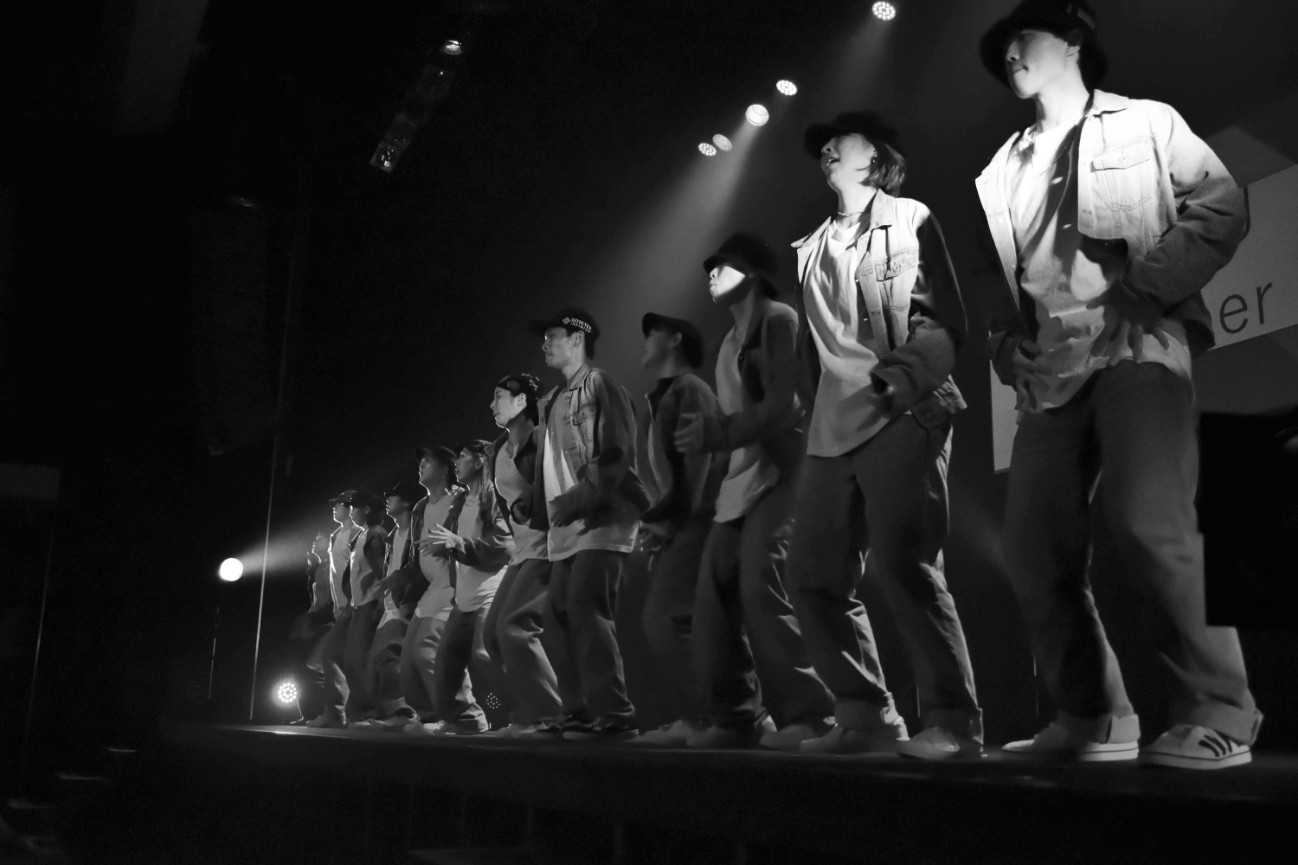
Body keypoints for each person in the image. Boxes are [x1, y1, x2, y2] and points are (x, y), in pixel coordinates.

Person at [975, 0, 1260, 768]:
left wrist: (1144, 286)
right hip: (1051, 375)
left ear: (1072, 41)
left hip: (1138, 347)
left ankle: (1222, 712)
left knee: (1149, 521)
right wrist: (1005, 347)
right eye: (1001, 49)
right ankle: (1094, 716)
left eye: (1022, 38)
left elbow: (1223, 206)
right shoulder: (1001, 169)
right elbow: (1004, 285)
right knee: (1033, 550)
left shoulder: (1146, 122)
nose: (1009, 54)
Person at [780, 110, 983, 759]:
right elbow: (814, 352)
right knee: (811, 575)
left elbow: (943, 322)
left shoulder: (909, 218)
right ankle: (865, 714)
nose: (827, 148)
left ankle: (954, 722)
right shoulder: (809, 247)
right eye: (822, 144)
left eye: (841, 139)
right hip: (831, 431)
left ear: (877, 156)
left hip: (904, 410)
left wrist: (897, 381)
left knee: (904, 564)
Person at [674, 234, 836, 750]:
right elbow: (735, 421)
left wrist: (717, 433)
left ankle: (814, 714)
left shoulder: (778, 320)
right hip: (741, 484)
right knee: (712, 603)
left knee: (761, 586)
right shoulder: (728, 341)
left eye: (722, 266)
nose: (711, 275)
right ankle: (738, 716)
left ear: (752, 272)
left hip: (783, 473)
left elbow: (786, 406)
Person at [527, 307, 648, 740]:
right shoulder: (551, 400)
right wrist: (540, 514)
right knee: (556, 616)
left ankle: (616, 715)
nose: (544, 344)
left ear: (577, 339)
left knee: (585, 609)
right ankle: (576, 712)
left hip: (601, 516)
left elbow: (617, 451)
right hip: (566, 527)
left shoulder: (599, 384)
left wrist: (576, 500)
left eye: (552, 336)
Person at [628, 313, 727, 746]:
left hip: (697, 522)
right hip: (681, 523)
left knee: (665, 618)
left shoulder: (690, 389)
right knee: (678, 620)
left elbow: (698, 470)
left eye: (652, 333)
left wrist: (666, 522)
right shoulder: (662, 396)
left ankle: (715, 716)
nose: (644, 341)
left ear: (675, 340)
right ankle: (705, 715)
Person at [482, 373, 567, 738]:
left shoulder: (542, 438)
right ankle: (527, 714)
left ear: (521, 401)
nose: (492, 405)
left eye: (499, 396)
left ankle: (551, 716)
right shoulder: (499, 449)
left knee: (514, 628)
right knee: (492, 634)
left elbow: (556, 485)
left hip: (548, 545)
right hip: (523, 549)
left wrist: (534, 503)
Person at [422, 441, 513, 735]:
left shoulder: (494, 496)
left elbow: (503, 544)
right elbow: (458, 543)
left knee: (485, 657)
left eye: (462, 456)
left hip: (490, 591)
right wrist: (447, 546)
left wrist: (457, 543)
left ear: (479, 461)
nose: (456, 462)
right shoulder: (461, 501)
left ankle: (517, 718)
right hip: (464, 596)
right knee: (446, 662)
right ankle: (466, 719)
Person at [393, 447, 461, 733]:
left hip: (454, 584)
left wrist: (450, 545)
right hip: (433, 587)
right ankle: (429, 716)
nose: (421, 464)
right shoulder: (420, 507)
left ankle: (455, 716)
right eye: (420, 461)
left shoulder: (460, 498)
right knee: (408, 659)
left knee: (425, 650)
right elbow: (417, 557)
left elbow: (469, 537)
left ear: (445, 468)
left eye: (428, 461)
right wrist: (404, 588)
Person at [349, 480, 427, 731]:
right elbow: (386, 572)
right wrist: (383, 604)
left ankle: (404, 713)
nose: (388, 499)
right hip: (390, 605)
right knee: (374, 666)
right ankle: (389, 714)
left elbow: (419, 569)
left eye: (394, 496)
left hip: (406, 605)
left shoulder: (416, 532)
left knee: (387, 656)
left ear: (407, 502)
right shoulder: (392, 536)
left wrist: (409, 599)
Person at [305, 491, 363, 728]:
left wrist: (353, 601)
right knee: (337, 659)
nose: (334, 507)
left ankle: (344, 713)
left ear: (351, 507)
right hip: (341, 610)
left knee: (338, 658)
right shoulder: (336, 535)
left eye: (339, 504)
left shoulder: (358, 533)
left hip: (354, 607)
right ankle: (340, 713)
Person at [336, 491, 391, 728]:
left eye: (355, 507)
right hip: (359, 606)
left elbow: (383, 571)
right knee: (352, 661)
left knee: (361, 661)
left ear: (367, 509)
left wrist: (381, 602)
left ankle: (375, 712)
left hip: (370, 605)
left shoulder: (376, 535)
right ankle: (363, 711)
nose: (351, 512)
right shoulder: (362, 535)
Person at [287, 530, 336, 725]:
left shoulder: (334, 565)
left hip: (329, 621)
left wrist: (310, 619)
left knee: (317, 665)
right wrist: (305, 620)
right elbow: (315, 601)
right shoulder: (316, 569)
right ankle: (309, 714)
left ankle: (325, 712)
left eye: (320, 538)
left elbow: (335, 600)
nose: (315, 541)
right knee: (300, 668)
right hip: (316, 622)